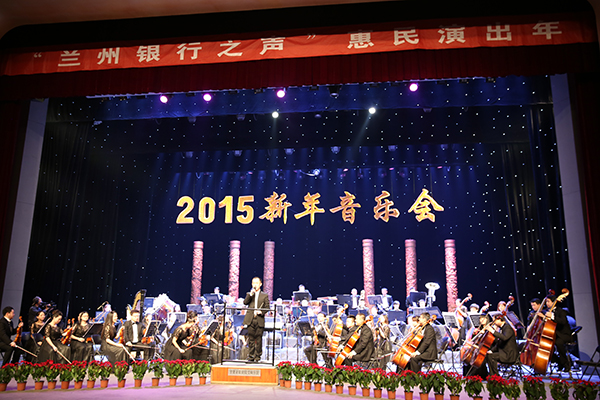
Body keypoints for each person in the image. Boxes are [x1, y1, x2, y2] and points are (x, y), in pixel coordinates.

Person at [542, 295, 573, 372]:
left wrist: (552, 316)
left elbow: (563, 321)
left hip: (564, 335)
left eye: (548, 301)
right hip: (554, 335)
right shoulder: (547, 312)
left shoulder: (561, 311)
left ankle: (566, 364)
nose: (547, 303)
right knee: (545, 345)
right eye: (546, 302)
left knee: (558, 343)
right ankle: (558, 361)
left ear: (554, 302)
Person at [243, 277, 270, 363]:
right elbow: (245, 302)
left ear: (260, 284)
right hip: (250, 319)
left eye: (256, 283)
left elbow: (267, 307)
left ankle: (258, 356)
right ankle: (251, 356)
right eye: (253, 283)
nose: (255, 285)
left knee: (258, 339)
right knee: (251, 338)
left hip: (259, 319)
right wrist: (250, 294)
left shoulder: (264, 295)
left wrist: (261, 312)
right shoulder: (249, 294)